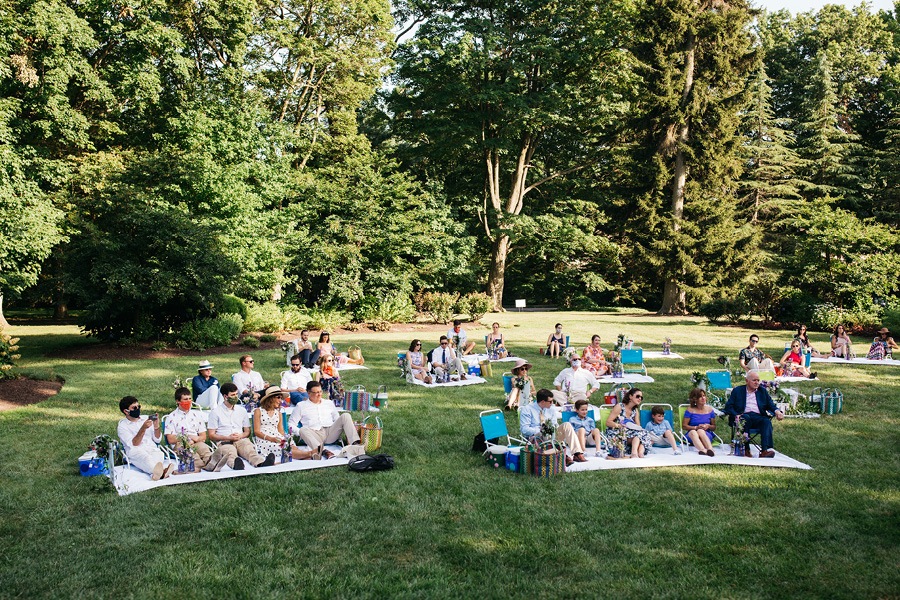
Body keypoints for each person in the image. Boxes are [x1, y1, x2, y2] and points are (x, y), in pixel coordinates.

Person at [205, 382, 275, 471]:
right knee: (230, 453)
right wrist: (228, 437)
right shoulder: (215, 412)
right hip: (224, 441)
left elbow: (247, 431)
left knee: (249, 450)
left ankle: (261, 463)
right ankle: (236, 464)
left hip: (240, 439)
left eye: (236, 394)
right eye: (233, 395)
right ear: (225, 396)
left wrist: (241, 436)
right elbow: (211, 435)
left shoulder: (242, 410)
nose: (236, 397)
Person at [289, 380, 361, 458]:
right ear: (308, 393)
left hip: (330, 432)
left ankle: (355, 446)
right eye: (316, 392)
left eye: (320, 391)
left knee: (345, 415)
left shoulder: (329, 403)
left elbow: (337, 418)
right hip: (314, 435)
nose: (319, 394)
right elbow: (291, 424)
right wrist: (300, 433)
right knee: (302, 429)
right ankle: (322, 451)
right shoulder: (301, 406)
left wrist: (346, 425)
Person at [724, 370, 784, 458]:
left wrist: (778, 412)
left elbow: (771, 405)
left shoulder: (762, 391)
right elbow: (728, 406)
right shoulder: (738, 391)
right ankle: (746, 449)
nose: (757, 382)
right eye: (754, 380)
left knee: (766, 421)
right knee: (745, 419)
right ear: (747, 381)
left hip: (757, 416)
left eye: (758, 380)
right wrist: (736, 414)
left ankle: (764, 451)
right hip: (742, 416)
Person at [519, 388, 586, 465]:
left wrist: (551, 429)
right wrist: (541, 430)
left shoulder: (551, 409)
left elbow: (555, 424)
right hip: (536, 437)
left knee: (566, 425)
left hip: (551, 435)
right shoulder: (527, 409)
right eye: (550, 401)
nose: (552, 403)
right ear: (543, 402)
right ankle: (564, 455)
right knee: (547, 433)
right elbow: (524, 429)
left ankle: (577, 453)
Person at [117, 396, 173, 480]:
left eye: (138, 406)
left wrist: (156, 427)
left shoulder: (146, 418)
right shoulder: (122, 426)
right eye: (134, 408)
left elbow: (157, 440)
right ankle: (162, 472)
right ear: (126, 411)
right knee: (146, 458)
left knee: (159, 455)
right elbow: (134, 444)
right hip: (135, 451)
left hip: (151, 448)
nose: (137, 409)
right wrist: (143, 428)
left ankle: (156, 474)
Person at [165, 387, 213, 471]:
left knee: (204, 448)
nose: (188, 401)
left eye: (190, 399)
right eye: (185, 399)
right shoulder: (171, 417)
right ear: (178, 401)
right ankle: (198, 465)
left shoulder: (197, 415)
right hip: (180, 443)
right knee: (189, 452)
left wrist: (196, 439)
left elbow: (203, 436)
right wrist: (187, 438)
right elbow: (170, 439)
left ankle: (211, 462)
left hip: (196, 441)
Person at [604, 388, 653, 458]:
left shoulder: (635, 410)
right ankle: (635, 453)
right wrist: (619, 425)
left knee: (643, 433)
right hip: (616, 432)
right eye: (637, 396)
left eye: (641, 397)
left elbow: (638, 426)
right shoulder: (620, 406)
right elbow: (608, 422)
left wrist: (634, 427)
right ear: (630, 396)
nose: (639, 398)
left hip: (629, 433)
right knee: (641, 434)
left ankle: (638, 453)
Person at [682, 388, 717, 456]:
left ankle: (710, 449)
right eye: (700, 397)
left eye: (704, 396)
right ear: (695, 399)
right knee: (693, 432)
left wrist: (708, 426)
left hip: (706, 434)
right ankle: (703, 450)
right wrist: (696, 427)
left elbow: (714, 427)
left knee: (700, 431)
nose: (703, 398)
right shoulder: (690, 410)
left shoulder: (709, 410)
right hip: (692, 435)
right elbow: (684, 426)